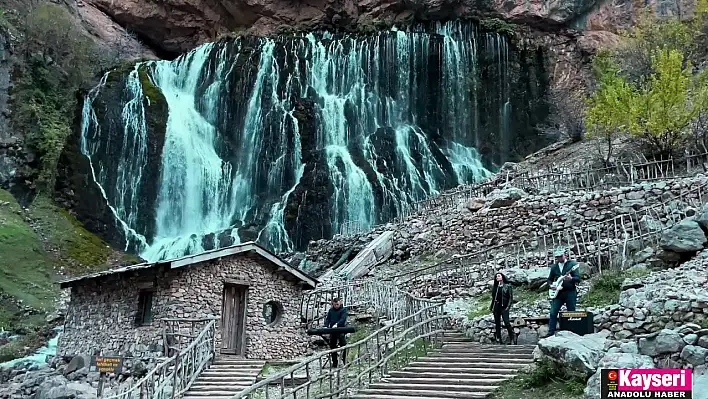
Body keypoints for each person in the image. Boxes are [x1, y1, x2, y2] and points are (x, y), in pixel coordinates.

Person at [544, 248, 581, 338]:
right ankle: (550, 333)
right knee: (553, 312)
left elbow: (578, 279)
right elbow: (549, 279)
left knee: (571, 313)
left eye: (560, 256)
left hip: (570, 292)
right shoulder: (554, 267)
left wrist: (571, 279)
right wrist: (551, 285)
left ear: (565, 255)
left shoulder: (572, 265)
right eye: (557, 257)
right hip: (558, 293)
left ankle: (572, 333)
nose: (559, 258)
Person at [489, 272, 516, 344]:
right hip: (496, 307)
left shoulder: (508, 286)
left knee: (506, 322)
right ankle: (499, 339)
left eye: (498, 276)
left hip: (504, 306)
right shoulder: (496, 287)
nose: (497, 277)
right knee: (497, 323)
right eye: (496, 277)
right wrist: (492, 307)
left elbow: (510, 298)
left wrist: (508, 307)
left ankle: (512, 337)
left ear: (502, 277)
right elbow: (493, 298)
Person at [324, 297, 348, 368]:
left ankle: (345, 361)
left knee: (343, 346)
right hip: (332, 331)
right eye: (334, 304)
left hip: (340, 330)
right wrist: (326, 325)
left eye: (337, 304)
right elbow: (328, 319)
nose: (336, 306)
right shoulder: (331, 310)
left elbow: (343, 319)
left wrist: (337, 324)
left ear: (340, 303)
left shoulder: (343, 310)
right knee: (332, 346)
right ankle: (334, 362)